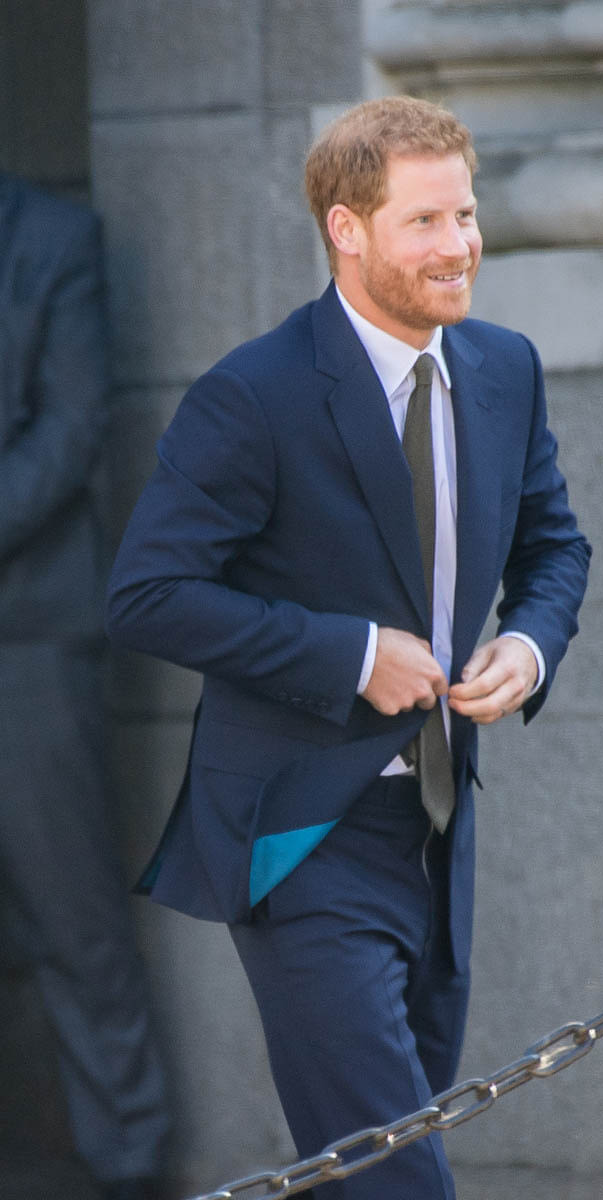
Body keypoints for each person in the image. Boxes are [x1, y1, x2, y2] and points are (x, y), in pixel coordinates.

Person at [106, 96, 591, 1199]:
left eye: (465, 214)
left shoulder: (506, 367)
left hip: (438, 831)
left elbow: (554, 544)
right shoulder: (253, 393)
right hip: (301, 838)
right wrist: (353, 654)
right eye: (424, 221)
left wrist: (527, 643)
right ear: (347, 229)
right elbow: (146, 596)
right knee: (394, 1179)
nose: (459, 245)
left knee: (372, 1167)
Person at [0, 172, 170, 1200]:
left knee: (74, 922)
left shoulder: (53, 239)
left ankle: (130, 1167)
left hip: (26, 635)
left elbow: (68, 432)